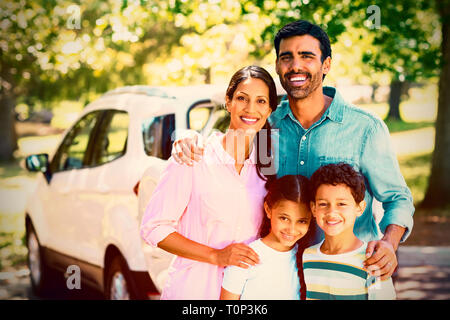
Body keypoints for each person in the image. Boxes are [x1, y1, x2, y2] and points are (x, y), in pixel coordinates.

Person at [171, 20, 415, 280]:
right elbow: (228, 147)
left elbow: (397, 197)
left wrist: (389, 243)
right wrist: (188, 137)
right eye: (287, 57)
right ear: (277, 66)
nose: (295, 66)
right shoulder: (266, 124)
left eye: (307, 56)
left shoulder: (364, 128)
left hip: (351, 272)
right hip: (280, 275)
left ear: (326, 64)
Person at [140, 66, 278, 299]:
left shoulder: (268, 169)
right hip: (193, 292)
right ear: (228, 101)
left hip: (246, 294)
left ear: (270, 109)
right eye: (242, 98)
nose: (251, 109)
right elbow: (154, 227)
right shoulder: (193, 157)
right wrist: (216, 255)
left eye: (261, 101)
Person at [303, 162, 396, 300]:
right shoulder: (308, 256)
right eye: (323, 204)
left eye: (341, 204)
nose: (332, 212)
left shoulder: (373, 261)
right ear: (313, 208)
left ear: (360, 208)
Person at [220, 175, 313, 300]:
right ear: (268, 210)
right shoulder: (245, 257)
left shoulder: (307, 258)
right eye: (284, 218)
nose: (291, 229)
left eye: (301, 221)